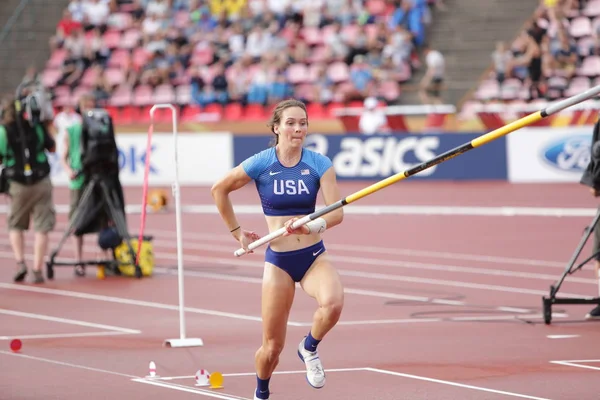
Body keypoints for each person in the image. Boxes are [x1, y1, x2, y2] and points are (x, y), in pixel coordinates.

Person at [211, 99, 345, 400]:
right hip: (279, 262)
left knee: (333, 304)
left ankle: (309, 347)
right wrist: (236, 232)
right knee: (271, 348)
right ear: (276, 127)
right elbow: (218, 189)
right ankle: (261, 393)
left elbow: (336, 213)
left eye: (303, 123)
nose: (298, 128)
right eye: (291, 123)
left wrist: (311, 226)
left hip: (313, 257)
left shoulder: (319, 164)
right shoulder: (262, 163)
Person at [0, 94, 56, 284]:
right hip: (41, 181)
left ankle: (20, 262)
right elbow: (52, 147)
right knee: (42, 227)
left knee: (15, 224)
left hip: (17, 183)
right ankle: (38, 269)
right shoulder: (37, 126)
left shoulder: (3, 131)